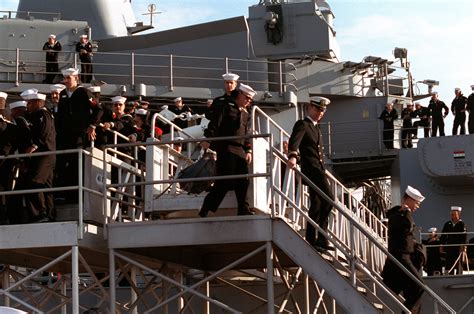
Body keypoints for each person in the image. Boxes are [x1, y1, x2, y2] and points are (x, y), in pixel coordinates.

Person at [198, 83, 255, 217]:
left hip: (239, 148)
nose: (248, 101)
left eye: (250, 99)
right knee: (224, 180)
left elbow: (247, 133)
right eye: (246, 98)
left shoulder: (246, 113)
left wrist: (248, 150)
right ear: (240, 94)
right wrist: (208, 138)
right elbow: (216, 123)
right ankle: (207, 207)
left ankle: (243, 209)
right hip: (226, 146)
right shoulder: (227, 106)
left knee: (243, 179)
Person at [287, 96, 334, 253]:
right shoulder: (303, 124)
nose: (320, 113)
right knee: (329, 199)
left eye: (323, 111)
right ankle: (321, 236)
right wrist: (293, 156)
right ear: (310, 108)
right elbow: (295, 141)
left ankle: (312, 238)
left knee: (317, 205)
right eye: (318, 110)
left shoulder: (315, 127)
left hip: (318, 169)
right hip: (312, 170)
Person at [55, 68, 101, 202]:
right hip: (65, 135)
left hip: (79, 134)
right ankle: (65, 194)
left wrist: (92, 125)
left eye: (68, 78)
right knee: (64, 164)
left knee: (77, 164)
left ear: (76, 78)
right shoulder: (63, 94)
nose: (66, 81)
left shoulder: (84, 92)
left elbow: (98, 109)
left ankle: (77, 196)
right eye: (64, 78)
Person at [381, 185, 425, 314]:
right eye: (417, 203)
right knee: (419, 285)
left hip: (406, 256)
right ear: (409, 200)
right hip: (400, 256)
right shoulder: (398, 215)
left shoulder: (402, 214)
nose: (417, 206)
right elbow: (408, 227)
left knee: (412, 290)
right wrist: (407, 211)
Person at [23, 92, 56, 223]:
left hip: (45, 154)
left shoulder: (43, 114)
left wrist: (35, 145)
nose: (27, 105)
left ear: (37, 102)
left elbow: (44, 131)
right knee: (47, 186)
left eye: (30, 103)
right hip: (47, 154)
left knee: (35, 182)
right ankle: (50, 213)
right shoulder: (41, 114)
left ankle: (41, 213)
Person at [440, 206, 467, 275]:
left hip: (458, 246)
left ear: (459, 214)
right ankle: (450, 274)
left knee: (459, 262)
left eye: (454, 214)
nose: (453, 216)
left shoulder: (462, 224)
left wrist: (464, 246)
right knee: (449, 261)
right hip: (450, 245)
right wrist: (441, 244)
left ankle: (459, 274)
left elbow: (464, 236)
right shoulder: (447, 224)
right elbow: (443, 235)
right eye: (452, 214)